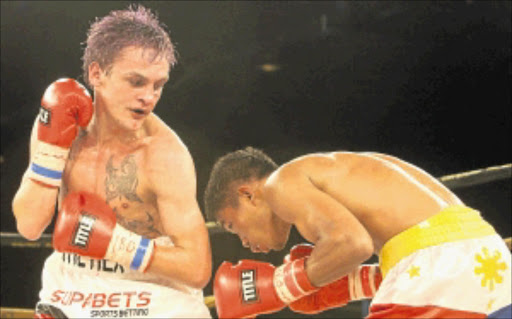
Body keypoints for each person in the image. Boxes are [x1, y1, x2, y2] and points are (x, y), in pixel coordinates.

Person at [12, 5, 212, 318]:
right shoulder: (58, 128)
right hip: (73, 287)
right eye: (136, 82)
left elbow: (198, 268)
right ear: (96, 74)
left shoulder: (163, 154)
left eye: (158, 85)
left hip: (153, 292)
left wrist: (116, 244)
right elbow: (29, 226)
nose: (149, 97)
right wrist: (51, 152)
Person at [204, 146, 512, 318]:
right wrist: (348, 283)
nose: (243, 242)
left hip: (441, 266)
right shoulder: (340, 168)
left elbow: (352, 243)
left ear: (248, 194)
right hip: (488, 259)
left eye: (232, 226)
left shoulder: (280, 184)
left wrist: (284, 286)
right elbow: (423, 243)